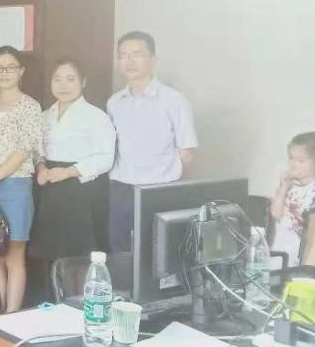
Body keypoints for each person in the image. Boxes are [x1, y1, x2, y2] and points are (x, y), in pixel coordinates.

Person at [29, 59, 115, 301]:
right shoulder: (44, 116)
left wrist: (68, 172)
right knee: (50, 252)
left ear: (83, 82)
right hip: (49, 189)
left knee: (79, 252)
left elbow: (105, 157)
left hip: (81, 190)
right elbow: (36, 150)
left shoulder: (95, 116)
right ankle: (52, 303)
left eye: (70, 79)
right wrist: (41, 167)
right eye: (57, 79)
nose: (63, 85)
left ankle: (79, 304)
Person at [107, 31, 198, 252]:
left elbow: (187, 152)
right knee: (120, 250)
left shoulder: (174, 100)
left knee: (158, 253)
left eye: (137, 54)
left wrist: (166, 179)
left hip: (160, 189)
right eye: (124, 55)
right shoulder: (114, 102)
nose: (130, 61)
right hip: (121, 190)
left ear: (153, 59)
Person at [0, 46, 41, 313]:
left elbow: (24, 150)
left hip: (15, 185)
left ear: (21, 71)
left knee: (14, 256)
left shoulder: (30, 106)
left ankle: (12, 316)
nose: (4, 73)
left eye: (11, 67)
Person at [270, 132, 315, 267]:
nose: (293, 164)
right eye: (291, 158)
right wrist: (283, 189)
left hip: (303, 259)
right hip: (280, 251)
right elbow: (276, 214)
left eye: (301, 161)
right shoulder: (291, 185)